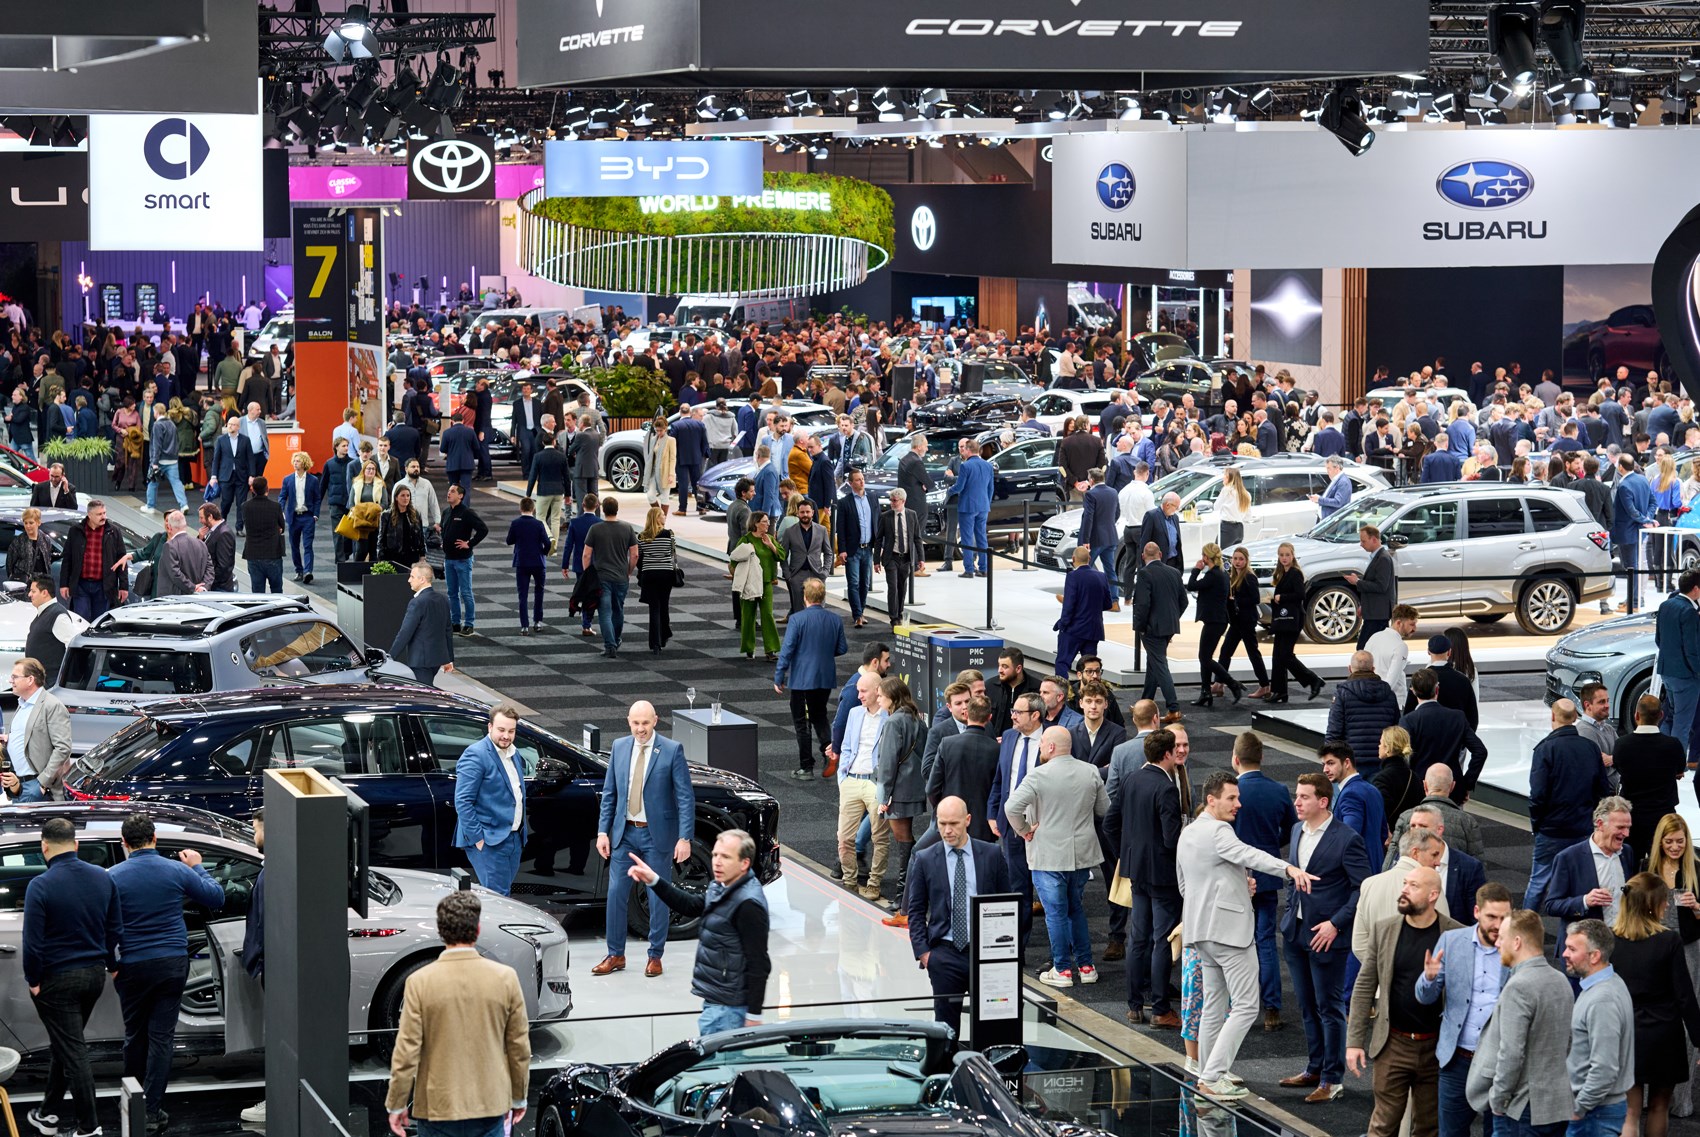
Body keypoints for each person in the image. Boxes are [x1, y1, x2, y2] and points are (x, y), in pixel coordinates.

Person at [1177, 770, 1318, 1099]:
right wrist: (1288, 868)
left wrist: (1239, 886)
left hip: (1200, 933)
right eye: (1231, 798)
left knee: (1214, 1005)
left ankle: (1209, 1074)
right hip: (1229, 933)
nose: (1238, 804)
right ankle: (1213, 1076)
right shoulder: (1219, 830)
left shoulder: (1189, 832)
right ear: (1211, 800)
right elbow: (1248, 854)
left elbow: (1187, 886)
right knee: (1246, 1006)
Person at [108, 812, 225, 1131]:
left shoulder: (112, 876)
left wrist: (112, 965)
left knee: (135, 1036)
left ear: (124, 843)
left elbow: (103, 925)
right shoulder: (176, 870)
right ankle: (151, 1111)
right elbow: (216, 897)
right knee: (161, 1038)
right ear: (155, 839)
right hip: (172, 963)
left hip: (132, 965)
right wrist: (197, 866)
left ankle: (130, 1102)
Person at [384, 891, 531, 1137]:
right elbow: (518, 1046)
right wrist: (518, 1096)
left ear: (441, 932)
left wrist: (397, 1103)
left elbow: (406, 1050)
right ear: (478, 929)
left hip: (437, 1108)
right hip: (489, 1105)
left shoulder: (419, 981)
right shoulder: (505, 978)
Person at [22, 816, 121, 1137]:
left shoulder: (40, 885)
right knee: (65, 1045)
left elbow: (33, 943)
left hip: (57, 980)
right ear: (76, 844)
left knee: (74, 1051)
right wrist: (111, 964)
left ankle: (89, 1128)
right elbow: (114, 929)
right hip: (93, 977)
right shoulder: (103, 878)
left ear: (44, 847)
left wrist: (33, 980)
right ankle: (47, 1113)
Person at [1280, 772, 1373, 1105]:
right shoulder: (1297, 830)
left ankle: (1332, 1079)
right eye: (1296, 795)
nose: (1296, 802)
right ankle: (1315, 1067)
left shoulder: (1347, 839)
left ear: (1323, 801)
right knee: (1307, 1005)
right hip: (1296, 932)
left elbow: (1363, 889)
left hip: (1327, 937)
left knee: (1329, 1008)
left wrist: (1336, 924)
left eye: (1303, 797)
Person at [1345, 864, 1458, 1136]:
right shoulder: (1384, 930)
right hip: (1393, 1044)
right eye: (1405, 883)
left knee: (1429, 1127)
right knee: (1383, 1125)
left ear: (1433, 895)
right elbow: (1364, 986)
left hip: (1436, 1048)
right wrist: (1354, 1042)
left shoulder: (1454, 935)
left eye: (1413, 886)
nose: (1404, 890)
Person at [626, 829, 770, 1034]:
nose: (717, 862)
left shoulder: (748, 905)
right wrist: (654, 881)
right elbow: (691, 905)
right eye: (715, 855)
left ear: (744, 863)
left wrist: (754, 1015)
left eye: (725, 857)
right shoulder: (722, 886)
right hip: (717, 1000)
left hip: (729, 1009)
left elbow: (759, 964)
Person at [1002, 726, 1109, 988]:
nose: (1039, 747)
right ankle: (1086, 966)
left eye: (1041, 744)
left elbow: (1011, 807)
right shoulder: (1091, 771)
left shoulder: (1037, 775)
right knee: (1075, 909)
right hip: (1081, 855)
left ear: (1050, 747)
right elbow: (1104, 810)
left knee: (1056, 913)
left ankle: (1062, 969)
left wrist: (1025, 831)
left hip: (1048, 855)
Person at [593, 701, 694, 977]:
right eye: (636, 723)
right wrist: (602, 832)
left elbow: (685, 797)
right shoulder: (619, 747)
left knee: (657, 895)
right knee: (615, 894)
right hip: (623, 834)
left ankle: (655, 955)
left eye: (645, 723)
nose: (640, 729)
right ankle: (615, 954)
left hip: (656, 835)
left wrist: (685, 838)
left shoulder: (671, 750)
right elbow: (610, 793)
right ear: (629, 721)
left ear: (655, 721)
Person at [1414, 881, 1514, 1137]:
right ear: (1476, 912)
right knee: (1451, 1133)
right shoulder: (1451, 941)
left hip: (1500, 1063)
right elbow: (1425, 998)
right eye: (1491, 917)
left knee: (1499, 1132)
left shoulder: (1517, 948)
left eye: (1504, 918)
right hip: (1458, 1060)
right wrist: (1429, 978)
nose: (1498, 925)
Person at [906, 795, 1011, 1025]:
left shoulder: (992, 855)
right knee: (946, 1028)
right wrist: (924, 953)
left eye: (953, 823)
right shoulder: (925, 859)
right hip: (944, 955)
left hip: (986, 954)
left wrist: (1007, 955)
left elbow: (1007, 905)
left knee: (992, 1025)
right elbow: (916, 910)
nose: (947, 830)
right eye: (942, 823)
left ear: (968, 820)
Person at [1610, 873, 1700, 1137]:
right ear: (1651, 905)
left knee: (1630, 1111)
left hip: (1626, 1033)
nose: (1668, 904)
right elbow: (1684, 995)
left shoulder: (1611, 940)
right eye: (1664, 900)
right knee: (1660, 1107)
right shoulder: (1668, 940)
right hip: (1664, 1034)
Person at [1104, 727, 1183, 1026]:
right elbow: (1171, 839)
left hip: (1135, 872)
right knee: (1161, 939)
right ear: (1167, 754)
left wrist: (1126, 854)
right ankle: (1161, 1009)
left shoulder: (1130, 779)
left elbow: (1110, 824)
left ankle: (1134, 1006)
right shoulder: (1166, 788)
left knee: (1138, 938)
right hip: (1163, 876)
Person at [1228, 733, 1298, 1033]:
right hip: (1268, 875)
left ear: (1235, 759)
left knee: (1233, 942)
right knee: (1266, 941)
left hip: (1234, 876)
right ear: (1262, 757)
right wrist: (1270, 848)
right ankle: (1272, 1008)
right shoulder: (1279, 790)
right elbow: (1292, 829)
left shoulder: (1230, 792)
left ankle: (1236, 1005)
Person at [1527, 699, 1617, 910]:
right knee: (1584, 884)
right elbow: (1603, 790)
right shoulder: (1590, 748)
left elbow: (1538, 795)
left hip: (1551, 830)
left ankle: (1524, 926)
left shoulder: (1544, 749)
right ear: (1576, 717)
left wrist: (1537, 825)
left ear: (1552, 716)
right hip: (1583, 828)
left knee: (1539, 883)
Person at [1563, 918, 1636, 1137]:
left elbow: (1604, 1069)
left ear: (1594, 956)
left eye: (1572, 949)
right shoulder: (1608, 983)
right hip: (1596, 1112)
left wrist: (1579, 1109)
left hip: (1594, 1114)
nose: (1564, 954)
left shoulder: (1602, 1000)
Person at [774, 578, 848, 780]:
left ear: (805, 596)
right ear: (822, 597)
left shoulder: (797, 619)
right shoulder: (835, 619)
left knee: (802, 722)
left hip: (802, 679)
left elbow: (787, 650)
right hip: (825, 677)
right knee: (819, 715)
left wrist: (779, 675)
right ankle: (829, 751)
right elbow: (842, 648)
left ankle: (806, 767)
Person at [450, 703, 526, 897]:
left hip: (513, 838)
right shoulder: (476, 754)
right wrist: (478, 839)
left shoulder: (514, 753)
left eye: (511, 731)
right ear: (490, 727)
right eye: (501, 730)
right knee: (498, 898)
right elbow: (463, 801)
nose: (506, 736)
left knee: (503, 895)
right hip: (489, 840)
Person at [875, 677, 928, 912]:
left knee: (904, 841)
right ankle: (908, 891)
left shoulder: (893, 722)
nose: (878, 699)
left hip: (897, 790)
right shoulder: (917, 719)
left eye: (881, 695)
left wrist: (883, 796)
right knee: (906, 840)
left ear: (892, 697)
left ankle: (904, 894)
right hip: (915, 787)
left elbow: (887, 763)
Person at [1615, 694, 1689, 859]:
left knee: (1632, 866)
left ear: (1636, 715)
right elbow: (1679, 771)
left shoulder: (1621, 745)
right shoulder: (1673, 745)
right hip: (1664, 816)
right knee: (1665, 865)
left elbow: (1619, 768)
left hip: (1632, 818)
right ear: (1661, 715)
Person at [1404, 668, 1489, 802]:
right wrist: (1466, 784)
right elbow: (1480, 751)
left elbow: (1403, 757)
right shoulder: (1457, 717)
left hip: (1419, 788)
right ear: (1437, 689)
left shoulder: (1409, 721)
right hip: (1452, 787)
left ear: (1413, 691)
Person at [2, 656, 72, 803]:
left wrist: (42, 782)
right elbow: (32, 735)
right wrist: (10, 739)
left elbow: (63, 748)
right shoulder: (23, 704)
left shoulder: (52, 705)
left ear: (30, 680)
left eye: (15, 677)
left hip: (35, 787)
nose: (10, 681)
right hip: (18, 784)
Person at [1131, 540, 1188, 724]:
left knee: (1160, 665)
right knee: (1154, 664)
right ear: (1161, 554)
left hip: (1151, 629)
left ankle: (1174, 708)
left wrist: (1140, 627)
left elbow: (1142, 604)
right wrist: (1171, 620)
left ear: (1143, 556)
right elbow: (1184, 601)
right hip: (1168, 627)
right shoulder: (1174, 572)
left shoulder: (1144, 573)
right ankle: (1144, 704)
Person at [1326, 650, 1402, 778]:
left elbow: (1334, 731)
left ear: (1350, 669)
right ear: (1373, 669)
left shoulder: (1342, 694)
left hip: (1351, 762)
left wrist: (1329, 760)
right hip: (1382, 762)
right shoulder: (1389, 694)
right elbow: (1396, 729)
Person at [1188, 542, 1244, 706]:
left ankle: (1232, 683)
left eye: (1203, 556)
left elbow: (1191, 585)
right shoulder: (1222, 573)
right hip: (1217, 620)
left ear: (1206, 557)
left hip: (1215, 621)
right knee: (1205, 657)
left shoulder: (1213, 575)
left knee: (1204, 657)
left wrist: (1196, 569)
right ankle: (1205, 692)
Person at [1270, 542, 1326, 702]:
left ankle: (1313, 679)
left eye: (1287, 555)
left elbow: (1301, 595)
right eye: (1281, 555)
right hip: (1284, 619)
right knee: (1278, 656)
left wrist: (1281, 597)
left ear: (1293, 555)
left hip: (1292, 620)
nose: (1284, 558)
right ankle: (1279, 691)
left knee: (1285, 655)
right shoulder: (1283, 573)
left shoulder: (1295, 573)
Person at [584, 498, 638, 659]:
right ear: (617, 509)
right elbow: (634, 554)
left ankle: (610, 646)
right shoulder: (627, 528)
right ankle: (616, 639)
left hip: (602, 577)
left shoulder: (595, 529)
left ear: (602, 509)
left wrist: (588, 575)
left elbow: (586, 555)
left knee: (604, 612)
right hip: (621, 576)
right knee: (618, 610)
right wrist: (629, 571)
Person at [59, 500, 129, 621]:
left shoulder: (113, 532)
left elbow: (122, 559)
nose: (103, 517)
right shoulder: (75, 531)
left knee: (99, 621)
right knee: (81, 619)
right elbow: (67, 558)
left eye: (104, 513)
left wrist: (124, 586)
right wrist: (64, 584)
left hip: (103, 586)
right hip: (81, 584)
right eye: (99, 514)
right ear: (89, 515)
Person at [1655, 571, 1700, 759]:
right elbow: (1692, 650)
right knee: (1682, 724)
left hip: (1666, 672)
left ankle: (1663, 757)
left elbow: (1658, 640)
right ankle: (1677, 765)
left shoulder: (1665, 605)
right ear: (1696, 589)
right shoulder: (1689, 612)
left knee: (1670, 717)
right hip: (1686, 677)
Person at [390, 560, 455, 687]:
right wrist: (449, 659)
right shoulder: (443, 599)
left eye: (412, 577)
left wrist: (390, 657)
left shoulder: (417, 603)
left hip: (420, 661)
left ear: (422, 579)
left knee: (424, 692)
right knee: (427, 689)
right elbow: (448, 631)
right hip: (437, 659)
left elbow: (405, 633)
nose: (409, 580)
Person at [1323, 741, 1388, 866]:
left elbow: (1348, 837)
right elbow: (1383, 832)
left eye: (1330, 763)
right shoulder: (1373, 790)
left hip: (1356, 870)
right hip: (1375, 864)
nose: (1325, 769)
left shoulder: (1350, 794)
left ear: (1347, 763)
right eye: (1324, 764)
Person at [1219, 546, 1271, 699]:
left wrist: (1236, 600)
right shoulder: (1233, 576)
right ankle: (1218, 683)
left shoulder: (1249, 577)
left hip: (1246, 621)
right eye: (1235, 559)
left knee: (1252, 653)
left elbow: (1255, 599)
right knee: (1226, 651)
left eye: (1241, 559)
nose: (1237, 562)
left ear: (1246, 560)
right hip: (1237, 621)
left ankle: (1265, 685)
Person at [731, 510, 782, 659]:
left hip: (766, 583)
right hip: (749, 583)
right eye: (765, 521)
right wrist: (735, 576)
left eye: (768, 521)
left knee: (768, 615)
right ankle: (748, 648)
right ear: (756, 523)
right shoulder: (745, 540)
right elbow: (734, 560)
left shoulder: (769, 538)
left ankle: (771, 650)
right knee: (748, 616)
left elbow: (782, 556)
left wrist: (771, 546)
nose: (768, 524)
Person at [441, 482, 488, 637]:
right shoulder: (446, 512)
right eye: (449, 491)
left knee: (466, 593)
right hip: (448, 559)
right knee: (452, 593)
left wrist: (470, 543)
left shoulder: (467, 512)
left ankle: (469, 624)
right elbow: (444, 529)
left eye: (453, 491)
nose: (449, 493)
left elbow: (483, 529)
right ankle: (455, 623)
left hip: (462, 560)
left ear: (460, 496)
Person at [947, 436, 994, 578]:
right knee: (982, 537)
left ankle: (969, 569)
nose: (963, 451)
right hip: (983, 506)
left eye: (964, 449)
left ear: (968, 450)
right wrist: (986, 502)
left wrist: (949, 491)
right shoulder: (988, 466)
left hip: (967, 506)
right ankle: (984, 569)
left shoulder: (965, 466)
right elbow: (990, 489)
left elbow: (959, 486)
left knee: (967, 538)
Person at [633, 505, 677, 654]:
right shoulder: (669, 534)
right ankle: (664, 635)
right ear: (657, 518)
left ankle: (655, 643)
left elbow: (639, 557)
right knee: (664, 605)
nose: (665, 516)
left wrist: (645, 568)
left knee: (654, 608)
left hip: (649, 574)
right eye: (662, 514)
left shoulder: (641, 536)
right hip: (666, 574)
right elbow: (672, 553)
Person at [506, 497, 552, 636]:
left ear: (520, 508)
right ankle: (537, 622)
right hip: (538, 562)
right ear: (533, 509)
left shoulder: (515, 523)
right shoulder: (539, 524)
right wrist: (543, 553)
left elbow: (509, 541)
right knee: (539, 592)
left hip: (522, 562)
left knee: (523, 595)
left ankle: (524, 626)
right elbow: (548, 543)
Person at [1346, 525, 1398, 648]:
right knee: (1370, 648)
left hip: (1378, 614)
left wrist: (1357, 582)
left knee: (1363, 648)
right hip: (1375, 612)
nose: (1361, 544)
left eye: (1363, 541)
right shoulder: (1378, 557)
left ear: (1374, 539)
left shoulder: (1383, 558)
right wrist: (1364, 605)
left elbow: (1381, 586)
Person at [876, 487, 921, 625]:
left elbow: (917, 538)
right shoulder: (885, 516)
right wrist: (876, 560)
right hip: (891, 557)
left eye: (894, 501)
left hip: (906, 558)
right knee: (893, 587)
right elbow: (878, 539)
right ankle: (894, 618)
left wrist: (921, 559)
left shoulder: (912, 515)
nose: (892, 503)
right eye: (891, 500)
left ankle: (899, 613)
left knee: (902, 587)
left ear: (903, 501)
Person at [1078, 468, 1122, 605]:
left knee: (1083, 569)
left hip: (1095, 538)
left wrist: (1086, 539)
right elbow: (1117, 513)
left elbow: (1088, 518)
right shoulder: (1113, 492)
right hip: (1110, 536)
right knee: (1110, 570)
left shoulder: (1091, 494)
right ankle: (1114, 601)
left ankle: (1079, 599)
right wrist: (1108, 525)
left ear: (1091, 480)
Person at [779, 498, 831, 614]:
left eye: (807, 512)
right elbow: (783, 555)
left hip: (817, 573)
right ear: (797, 513)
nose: (805, 515)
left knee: (818, 610)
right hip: (797, 575)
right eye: (802, 512)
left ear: (812, 512)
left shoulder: (821, 530)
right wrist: (788, 575)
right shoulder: (789, 532)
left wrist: (825, 572)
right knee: (799, 611)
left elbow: (828, 552)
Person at [24, 574, 77, 685]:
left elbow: (72, 647)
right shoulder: (45, 612)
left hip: (51, 682)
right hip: (41, 679)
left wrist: (64, 679)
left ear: (44, 593)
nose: (29, 595)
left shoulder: (59, 616)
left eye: (33, 591)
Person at [280, 451, 322, 584]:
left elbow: (317, 498)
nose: (295, 463)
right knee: (294, 546)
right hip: (293, 517)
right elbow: (282, 497)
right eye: (294, 461)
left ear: (304, 463)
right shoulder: (288, 479)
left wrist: (315, 514)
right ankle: (299, 570)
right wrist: (281, 511)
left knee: (308, 545)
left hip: (308, 517)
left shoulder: (313, 480)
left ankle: (308, 571)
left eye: (298, 461)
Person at [1366, 604, 1419, 706]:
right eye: (1412, 624)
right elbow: (1391, 680)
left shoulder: (1374, 637)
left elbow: (1364, 668)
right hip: (1393, 701)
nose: (1415, 628)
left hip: (1371, 695)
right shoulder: (1400, 646)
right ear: (1399, 623)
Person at [240, 475, 286, 593]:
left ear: (252, 490)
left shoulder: (245, 506)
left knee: (257, 592)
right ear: (267, 489)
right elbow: (282, 527)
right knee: (277, 591)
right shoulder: (276, 506)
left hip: (253, 554)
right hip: (273, 553)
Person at [158, 509, 211, 596]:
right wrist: (203, 587)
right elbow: (209, 568)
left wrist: (193, 588)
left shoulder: (169, 546)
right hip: (199, 598)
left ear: (169, 527)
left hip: (174, 599)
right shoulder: (201, 544)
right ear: (185, 525)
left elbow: (175, 573)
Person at [7, 507, 53, 585]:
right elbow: (10, 565)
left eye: (31, 523)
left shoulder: (46, 540)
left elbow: (47, 562)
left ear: (38, 523)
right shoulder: (18, 541)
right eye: (26, 523)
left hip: (41, 583)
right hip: (23, 584)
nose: (28, 526)